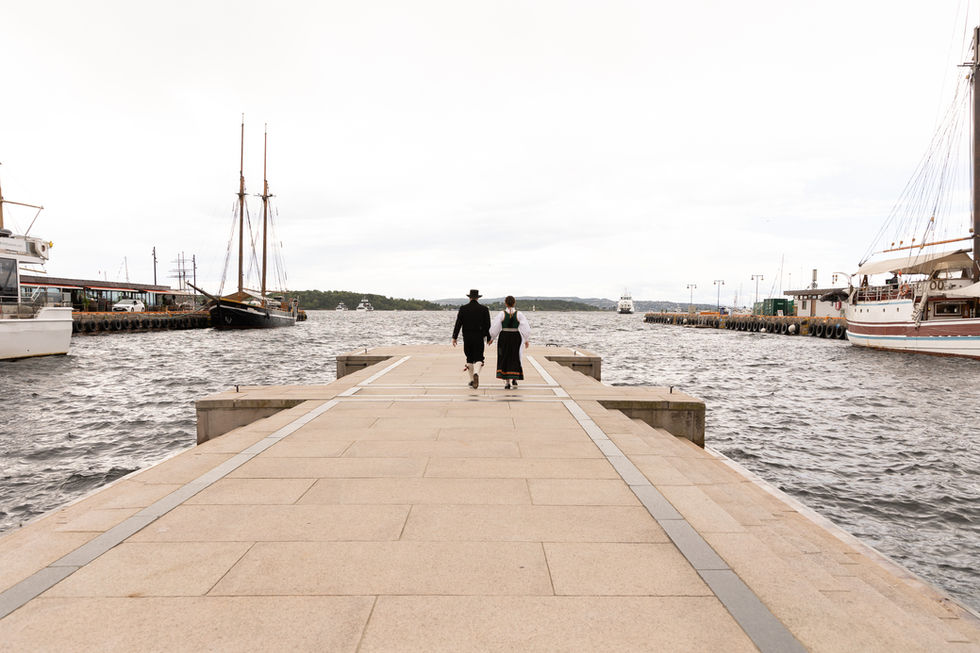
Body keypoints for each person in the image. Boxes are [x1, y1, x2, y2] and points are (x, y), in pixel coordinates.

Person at [488, 295, 530, 389]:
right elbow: (525, 328)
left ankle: (507, 382)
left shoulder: (501, 314)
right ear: (514, 303)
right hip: (515, 336)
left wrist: (492, 338)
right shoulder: (519, 314)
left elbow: (495, 327)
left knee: (505, 356)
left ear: (506, 303)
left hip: (504, 337)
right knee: (515, 356)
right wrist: (526, 339)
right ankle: (515, 378)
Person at [452, 289, 491, 389]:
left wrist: (454, 337)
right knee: (479, 357)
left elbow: (458, 324)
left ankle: (471, 380)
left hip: (467, 336)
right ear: (478, 298)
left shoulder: (463, 308)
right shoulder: (484, 309)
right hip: (479, 336)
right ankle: (476, 373)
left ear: (469, 297)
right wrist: (489, 337)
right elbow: (487, 325)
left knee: (469, 357)